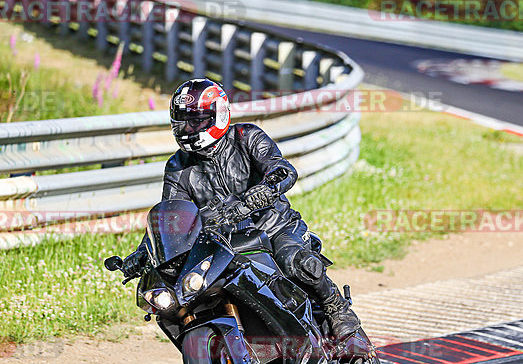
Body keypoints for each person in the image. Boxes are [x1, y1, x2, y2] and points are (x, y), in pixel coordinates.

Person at [122, 78, 361, 343]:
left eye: (198, 121)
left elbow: (282, 170)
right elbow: (171, 219)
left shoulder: (246, 136)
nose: (189, 128)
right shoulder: (178, 166)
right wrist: (143, 252)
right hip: (224, 244)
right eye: (184, 122)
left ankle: (336, 308)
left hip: (274, 228)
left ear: (219, 115)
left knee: (296, 263)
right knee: (182, 298)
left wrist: (266, 190)